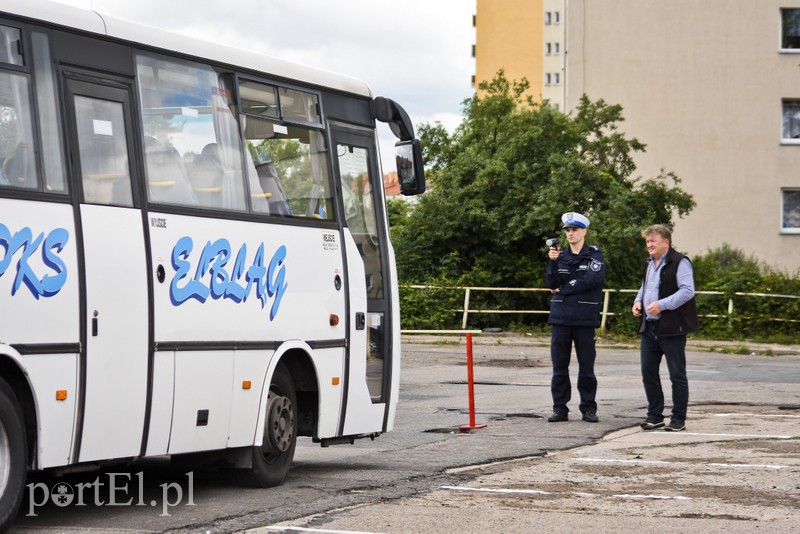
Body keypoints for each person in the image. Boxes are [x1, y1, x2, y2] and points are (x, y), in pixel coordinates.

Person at [631, 224, 698, 432]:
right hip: (649, 327)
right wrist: (638, 301)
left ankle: (678, 419)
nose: (649, 245)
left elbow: (688, 291)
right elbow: (645, 286)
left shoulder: (680, 262)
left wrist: (662, 304)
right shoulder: (649, 263)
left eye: (653, 241)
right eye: (647, 242)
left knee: (677, 374)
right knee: (648, 372)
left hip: (672, 327)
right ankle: (655, 416)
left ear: (666, 242)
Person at [544, 212, 606, 423]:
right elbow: (551, 283)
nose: (570, 233)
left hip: (584, 318)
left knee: (586, 367)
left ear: (584, 231)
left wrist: (564, 288)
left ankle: (588, 408)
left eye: (575, 230)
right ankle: (559, 408)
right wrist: (552, 263)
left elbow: (591, 279)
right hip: (561, 318)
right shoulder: (560, 256)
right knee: (559, 367)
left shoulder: (594, 255)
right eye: (568, 230)